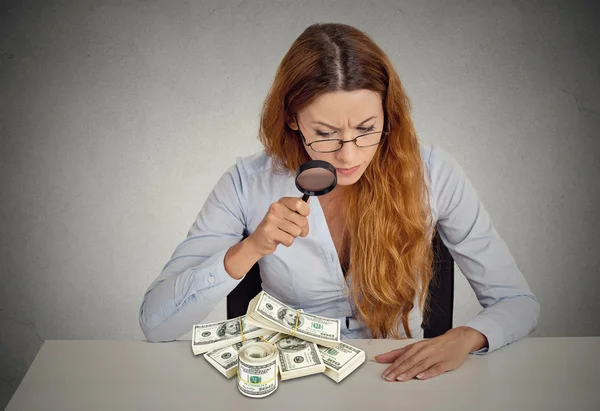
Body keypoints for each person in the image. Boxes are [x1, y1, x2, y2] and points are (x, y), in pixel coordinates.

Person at [139, 23, 540, 382]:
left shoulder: (433, 173)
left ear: (388, 113)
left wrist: (466, 337)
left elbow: (517, 302)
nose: (349, 157)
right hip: (293, 384)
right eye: (326, 133)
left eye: (367, 129)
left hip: (397, 381)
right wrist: (249, 249)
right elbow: (156, 325)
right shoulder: (247, 183)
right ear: (292, 118)